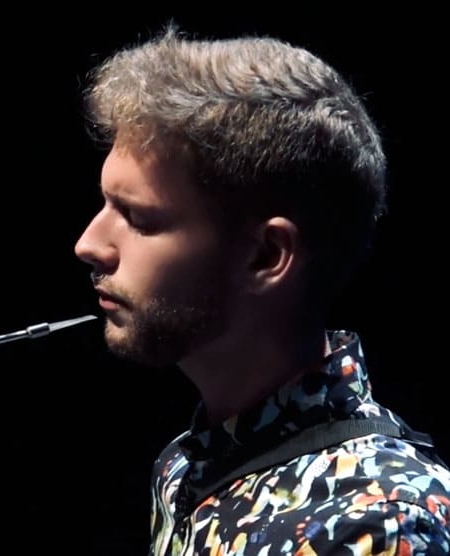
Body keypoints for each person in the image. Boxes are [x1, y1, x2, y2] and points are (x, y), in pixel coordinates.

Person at [73, 25, 450, 555]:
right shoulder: (183, 465)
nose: (88, 244)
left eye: (137, 217)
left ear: (266, 256)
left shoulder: (372, 521)